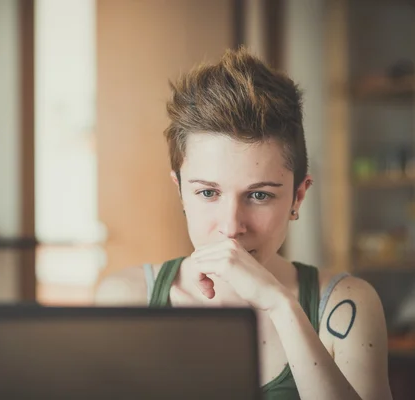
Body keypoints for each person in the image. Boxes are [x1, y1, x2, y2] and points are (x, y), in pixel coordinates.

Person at [94, 48, 393, 400]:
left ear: (298, 196)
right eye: (208, 193)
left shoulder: (344, 303)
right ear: (180, 192)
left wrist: (281, 306)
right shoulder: (127, 299)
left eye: (259, 195)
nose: (232, 226)